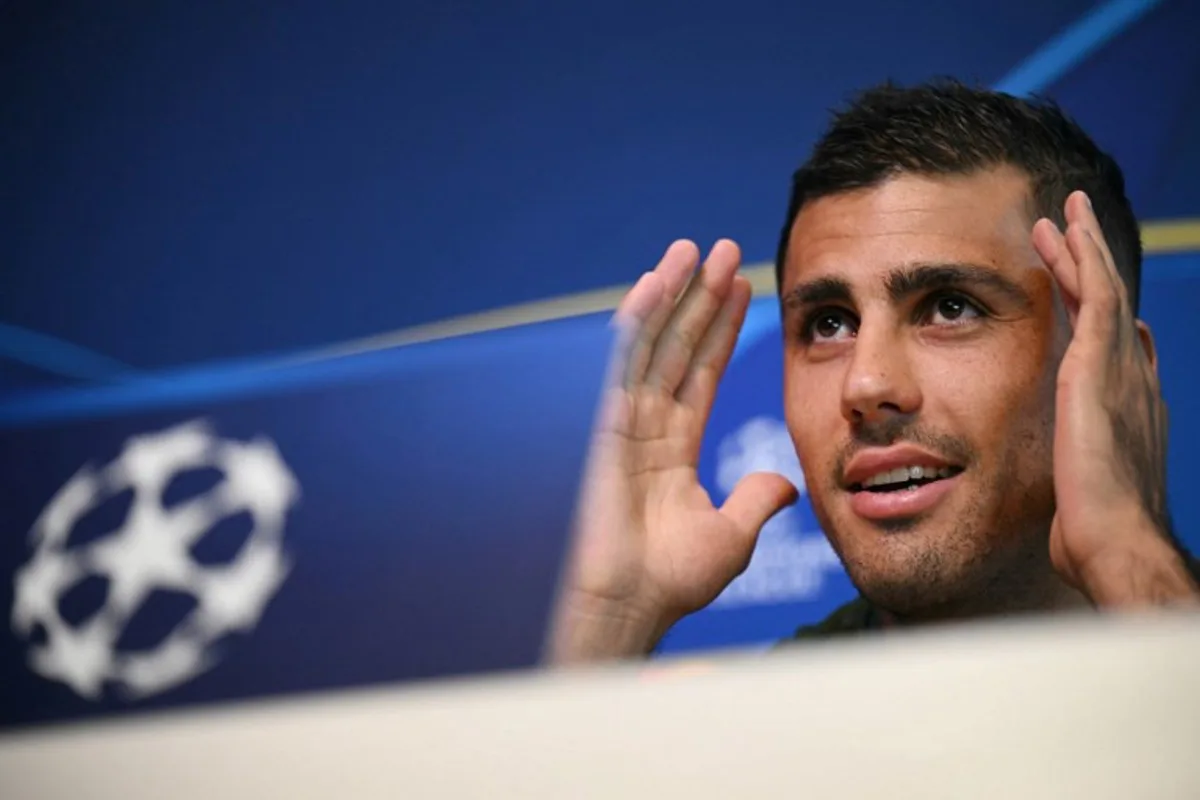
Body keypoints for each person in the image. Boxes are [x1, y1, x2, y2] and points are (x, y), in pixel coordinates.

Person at [548, 80, 1200, 663]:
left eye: (950, 307)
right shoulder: (762, 729)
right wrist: (606, 620)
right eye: (830, 323)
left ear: (1119, 375)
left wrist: (1128, 561)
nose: (865, 385)